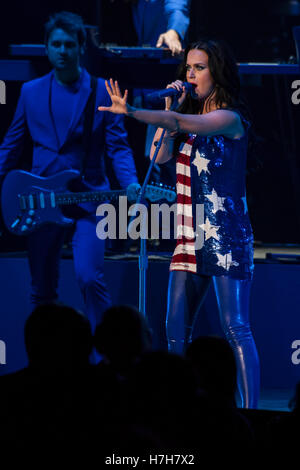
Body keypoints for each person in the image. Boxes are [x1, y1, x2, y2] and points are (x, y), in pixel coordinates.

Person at [97, 38, 260, 408]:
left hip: (225, 237)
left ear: (217, 73)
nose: (190, 74)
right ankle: (174, 408)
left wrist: (134, 112)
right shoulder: (185, 119)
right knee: (174, 333)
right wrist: (171, 109)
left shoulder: (230, 119)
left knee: (236, 327)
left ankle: (252, 413)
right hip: (188, 234)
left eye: (199, 68)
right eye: (188, 67)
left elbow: (183, 122)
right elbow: (155, 154)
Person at [0, 11, 138, 333]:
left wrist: (130, 183)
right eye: (55, 44)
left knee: (90, 278)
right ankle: (49, 364)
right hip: (41, 200)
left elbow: (118, 147)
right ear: (46, 48)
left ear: (80, 48)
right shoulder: (30, 91)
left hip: (89, 199)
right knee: (42, 290)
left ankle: (105, 359)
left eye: (68, 45)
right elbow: (11, 144)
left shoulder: (102, 90)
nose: (62, 51)